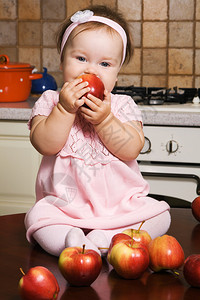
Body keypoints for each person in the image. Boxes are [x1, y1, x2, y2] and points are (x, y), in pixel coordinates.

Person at [25, 5, 171, 256]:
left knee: (160, 215)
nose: (90, 70)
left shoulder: (122, 106)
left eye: (104, 63)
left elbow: (131, 149)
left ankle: (107, 237)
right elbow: (45, 144)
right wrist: (64, 110)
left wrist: (105, 121)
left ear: (116, 74)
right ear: (62, 60)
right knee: (38, 217)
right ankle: (72, 241)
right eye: (80, 59)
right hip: (65, 209)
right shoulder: (50, 101)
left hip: (120, 208)